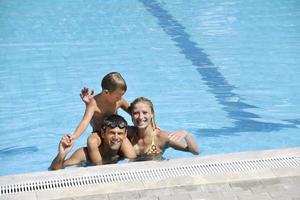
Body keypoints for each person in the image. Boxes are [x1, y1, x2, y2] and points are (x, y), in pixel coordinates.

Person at [70, 72, 136, 165]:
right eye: (118, 96)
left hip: (114, 131)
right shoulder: (93, 103)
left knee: (128, 142)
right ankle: (100, 167)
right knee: (91, 141)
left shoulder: (119, 101)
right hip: (99, 133)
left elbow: (133, 112)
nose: (121, 98)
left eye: (122, 95)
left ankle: (134, 163)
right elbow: (85, 122)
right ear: (106, 92)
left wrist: (151, 123)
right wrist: (74, 136)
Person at [127, 97, 200, 161]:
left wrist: (186, 135)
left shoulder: (161, 137)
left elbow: (195, 151)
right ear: (132, 116)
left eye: (145, 112)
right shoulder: (127, 133)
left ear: (152, 114)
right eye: (136, 113)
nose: (140, 117)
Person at [50, 114, 132, 170]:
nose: (116, 137)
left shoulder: (124, 153)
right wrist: (61, 154)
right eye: (112, 133)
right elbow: (55, 170)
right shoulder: (83, 154)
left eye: (120, 133)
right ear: (103, 134)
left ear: (125, 135)